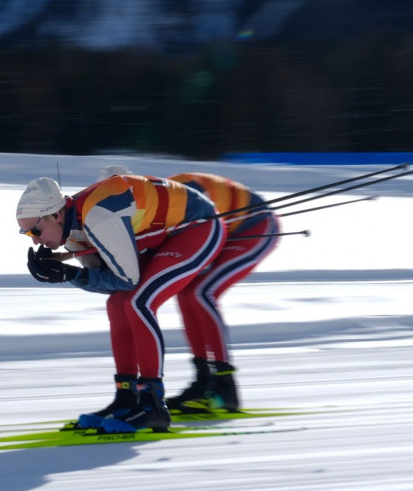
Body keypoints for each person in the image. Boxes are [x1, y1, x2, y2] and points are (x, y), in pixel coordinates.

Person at [15, 173, 226, 432]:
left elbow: (127, 280)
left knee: (139, 302)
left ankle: (153, 403)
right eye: (27, 235)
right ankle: (128, 397)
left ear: (56, 215)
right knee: (118, 304)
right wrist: (65, 273)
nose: (35, 240)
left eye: (35, 230)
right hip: (164, 234)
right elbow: (106, 280)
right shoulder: (70, 230)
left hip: (199, 226)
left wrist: (71, 275)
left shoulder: (99, 217)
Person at [96, 165, 280, 414]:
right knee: (186, 294)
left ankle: (225, 384)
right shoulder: (141, 211)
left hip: (256, 226)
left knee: (201, 292)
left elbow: (201, 206)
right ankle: (205, 381)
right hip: (228, 230)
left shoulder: (175, 191)